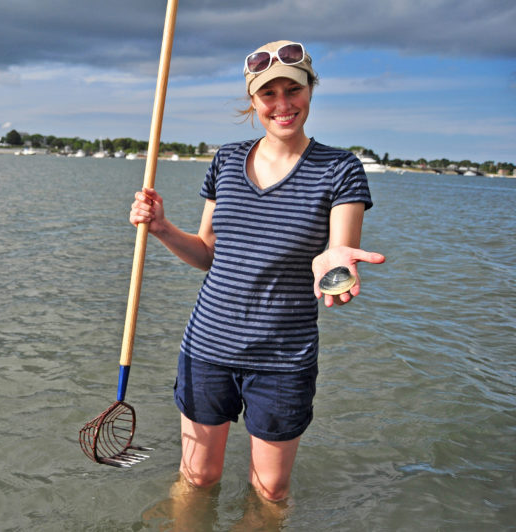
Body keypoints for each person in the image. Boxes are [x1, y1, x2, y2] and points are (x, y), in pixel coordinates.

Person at [129, 40, 385, 502]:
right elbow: (208, 253)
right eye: (269, 94)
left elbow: (341, 249)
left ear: (312, 90)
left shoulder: (340, 169)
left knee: (270, 491)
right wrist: (163, 228)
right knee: (198, 479)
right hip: (208, 346)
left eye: (294, 90)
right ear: (253, 101)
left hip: (283, 359)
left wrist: (335, 262)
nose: (283, 104)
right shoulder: (226, 160)